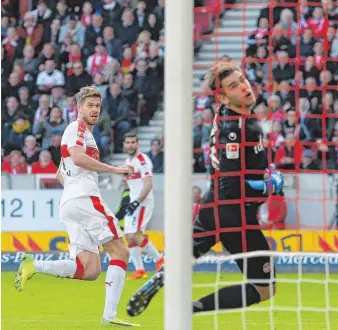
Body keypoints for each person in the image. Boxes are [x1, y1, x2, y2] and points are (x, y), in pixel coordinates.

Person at [126, 61, 284, 316]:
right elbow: (232, 185)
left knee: (186, 258)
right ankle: (187, 311)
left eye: (243, 79)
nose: (244, 87)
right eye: (234, 86)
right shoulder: (234, 128)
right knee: (265, 288)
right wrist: (266, 186)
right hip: (235, 215)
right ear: (222, 97)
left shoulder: (237, 117)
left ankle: (162, 277)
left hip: (213, 206)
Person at [14, 86, 138, 327]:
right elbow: (79, 158)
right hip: (84, 198)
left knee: (90, 270)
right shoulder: (76, 128)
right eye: (89, 105)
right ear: (79, 108)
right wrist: (115, 169)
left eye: (97, 106)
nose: (94, 110)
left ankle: (34, 265)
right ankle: (109, 317)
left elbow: (62, 173)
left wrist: (73, 189)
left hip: (71, 201)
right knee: (121, 252)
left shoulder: (82, 133)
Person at [122, 133, 164, 280]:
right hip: (134, 201)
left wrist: (137, 201)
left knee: (135, 235)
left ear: (137, 144)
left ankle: (160, 260)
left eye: (133, 142)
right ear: (124, 145)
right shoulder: (128, 161)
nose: (130, 145)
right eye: (128, 142)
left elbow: (148, 185)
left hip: (143, 201)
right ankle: (140, 270)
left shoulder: (143, 160)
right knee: (129, 236)